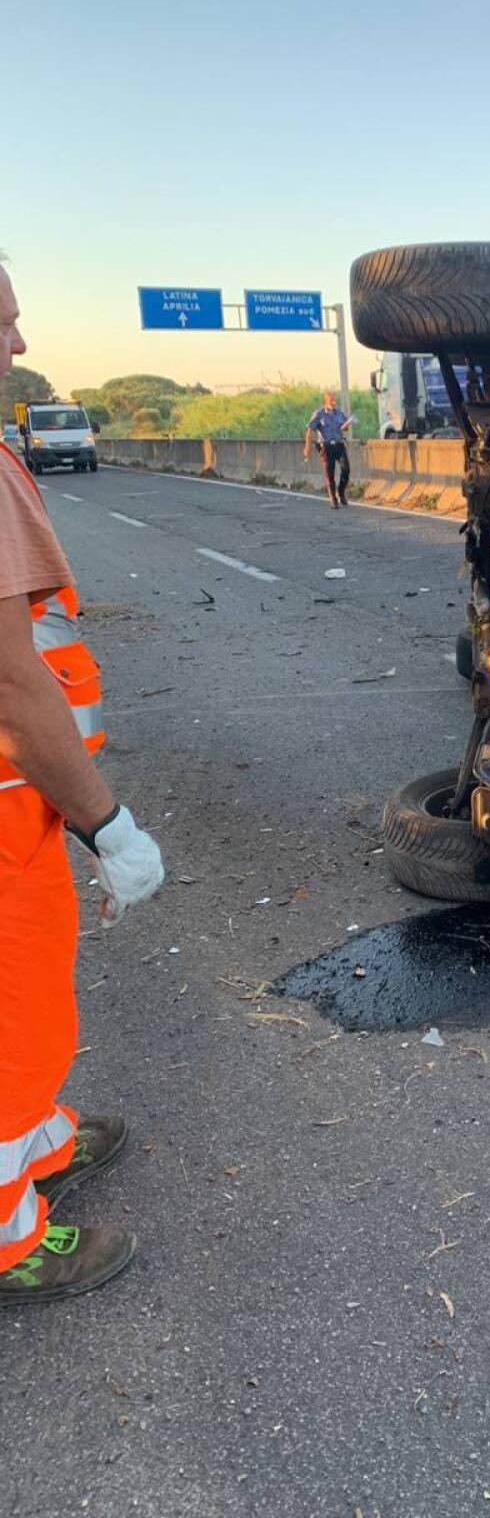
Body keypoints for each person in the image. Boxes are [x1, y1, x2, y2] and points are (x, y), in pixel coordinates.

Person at [0, 258, 165, 1308]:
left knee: (32, 998)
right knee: (7, 1015)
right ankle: (11, 1239)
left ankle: (40, 1141)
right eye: (4, 322)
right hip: (10, 792)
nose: (18, 345)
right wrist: (108, 823)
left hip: (18, 806)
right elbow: (15, 685)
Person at [303, 390, 353, 509]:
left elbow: (345, 427)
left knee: (346, 469)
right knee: (329, 473)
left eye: (335, 399)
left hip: (339, 444)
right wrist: (307, 447)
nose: (334, 401)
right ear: (326, 400)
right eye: (332, 399)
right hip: (326, 446)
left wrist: (346, 426)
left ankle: (341, 492)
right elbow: (310, 429)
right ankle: (333, 499)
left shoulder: (339, 413)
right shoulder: (319, 414)